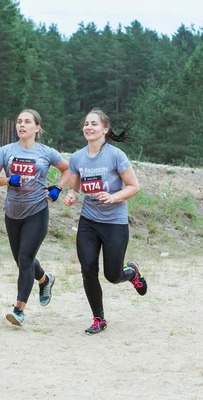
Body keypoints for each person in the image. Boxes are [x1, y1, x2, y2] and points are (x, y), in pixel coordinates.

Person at [64, 108, 148, 335]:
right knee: (88, 268)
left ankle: (132, 273)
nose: (88, 128)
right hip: (89, 222)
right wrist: (72, 195)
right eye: (86, 124)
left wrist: (113, 197)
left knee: (112, 275)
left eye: (94, 124)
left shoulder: (116, 155)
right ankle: (98, 318)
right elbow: (75, 187)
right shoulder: (77, 158)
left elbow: (134, 186)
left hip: (114, 223)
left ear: (105, 129)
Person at [0, 109, 70, 327]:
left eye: (27, 122)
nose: (21, 125)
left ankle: (19, 310)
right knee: (22, 261)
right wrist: (8, 181)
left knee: (24, 259)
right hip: (12, 213)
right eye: (19, 122)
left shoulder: (47, 152)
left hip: (37, 212)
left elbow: (68, 170)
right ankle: (45, 280)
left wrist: (57, 189)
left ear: (37, 128)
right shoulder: (6, 151)